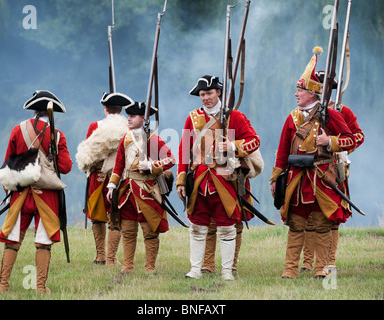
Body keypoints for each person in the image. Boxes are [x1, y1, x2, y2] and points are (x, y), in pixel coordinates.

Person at [270, 47, 357, 279]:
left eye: (300, 90)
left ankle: (321, 269)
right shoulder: (292, 117)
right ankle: (290, 270)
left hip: (322, 178)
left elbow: (351, 139)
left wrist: (330, 141)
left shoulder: (331, 114)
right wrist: (274, 177)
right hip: (296, 179)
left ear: (313, 93)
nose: (296, 94)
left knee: (321, 226)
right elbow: (282, 151)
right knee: (296, 226)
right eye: (297, 90)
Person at [176, 75, 261, 280]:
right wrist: (181, 179)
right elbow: (184, 150)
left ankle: (226, 271)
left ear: (219, 93)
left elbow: (254, 141)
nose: (205, 98)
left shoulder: (235, 117)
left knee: (226, 225)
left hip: (225, 177)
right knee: (197, 225)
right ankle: (196, 269)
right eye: (202, 94)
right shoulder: (193, 118)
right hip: (198, 179)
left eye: (209, 93)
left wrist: (233, 146)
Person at [0, 90, 72, 293]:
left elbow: (7, 164)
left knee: (12, 240)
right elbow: (66, 166)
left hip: (20, 194)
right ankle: (40, 287)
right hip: (46, 196)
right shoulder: (57, 135)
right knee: (43, 243)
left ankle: (2, 286)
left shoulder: (17, 130)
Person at [300, 71, 365, 273]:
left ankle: (329, 261)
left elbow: (358, 137)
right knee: (309, 215)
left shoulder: (341, 111)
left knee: (333, 216)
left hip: (333, 168)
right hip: (308, 167)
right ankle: (307, 263)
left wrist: (332, 143)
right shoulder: (303, 112)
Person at [106, 101, 175, 275]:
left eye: (133, 116)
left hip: (146, 191)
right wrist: (112, 185)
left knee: (150, 232)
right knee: (128, 232)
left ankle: (149, 267)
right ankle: (127, 266)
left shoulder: (153, 139)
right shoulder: (126, 138)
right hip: (127, 192)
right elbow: (119, 166)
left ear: (143, 118)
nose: (128, 119)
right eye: (128, 116)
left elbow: (170, 160)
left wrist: (152, 166)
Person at [76, 92, 130, 266]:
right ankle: (111, 258)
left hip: (97, 177)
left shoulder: (95, 126)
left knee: (97, 216)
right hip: (118, 177)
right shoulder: (127, 127)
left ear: (105, 109)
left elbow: (86, 155)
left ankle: (101, 256)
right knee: (114, 215)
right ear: (121, 110)